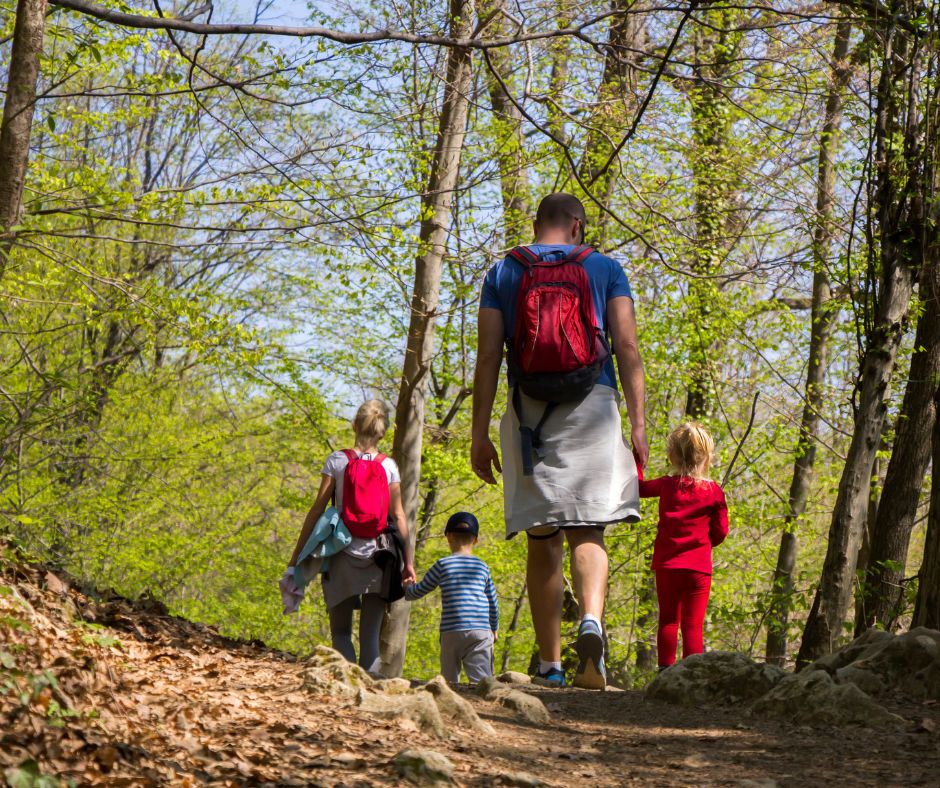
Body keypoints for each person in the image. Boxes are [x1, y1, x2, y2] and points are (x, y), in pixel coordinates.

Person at [471, 193, 647, 689]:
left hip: (531, 414)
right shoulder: (605, 268)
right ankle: (590, 620)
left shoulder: (504, 271)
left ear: (536, 223)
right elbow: (627, 345)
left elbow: (488, 356)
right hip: (594, 405)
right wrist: (637, 425)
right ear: (577, 226)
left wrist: (479, 433)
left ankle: (550, 665)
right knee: (588, 529)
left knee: (542, 537)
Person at [287, 400, 416, 675]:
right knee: (370, 638)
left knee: (341, 633)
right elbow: (399, 516)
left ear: (354, 425)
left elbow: (317, 510)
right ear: (383, 431)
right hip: (379, 558)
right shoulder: (389, 466)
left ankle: (347, 688)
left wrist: (297, 556)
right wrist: (408, 563)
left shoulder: (337, 461)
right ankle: (372, 692)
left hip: (340, 555)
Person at [636, 422, 728, 669]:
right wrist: (705, 543)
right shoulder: (714, 491)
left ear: (672, 456)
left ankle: (665, 671)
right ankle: (691, 674)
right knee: (692, 625)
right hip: (698, 568)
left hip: (668, 565)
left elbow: (639, 488)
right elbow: (721, 532)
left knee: (668, 621)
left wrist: (637, 459)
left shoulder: (666, 485)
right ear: (707, 457)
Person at [404, 512, 499, 684]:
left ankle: (449, 697)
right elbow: (493, 601)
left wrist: (407, 587)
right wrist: (494, 627)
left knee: (449, 681)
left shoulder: (442, 564)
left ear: (448, 537)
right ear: (475, 540)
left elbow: (418, 592)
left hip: (451, 630)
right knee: (483, 682)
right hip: (480, 630)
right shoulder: (482, 567)